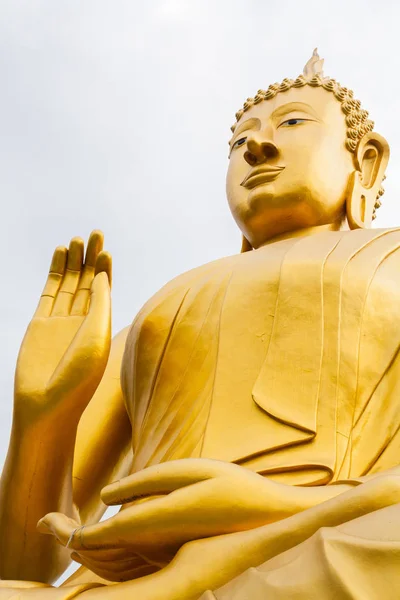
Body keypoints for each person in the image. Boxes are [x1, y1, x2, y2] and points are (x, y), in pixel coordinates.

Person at [2, 50, 400, 599]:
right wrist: (43, 419)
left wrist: (263, 507)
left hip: (323, 540)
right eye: (240, 142)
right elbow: (27, 561)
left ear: (368, 161)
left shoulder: (393, 261)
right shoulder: (159, 313)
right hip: (123, 581)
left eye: (293, 123)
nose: (257, 147)